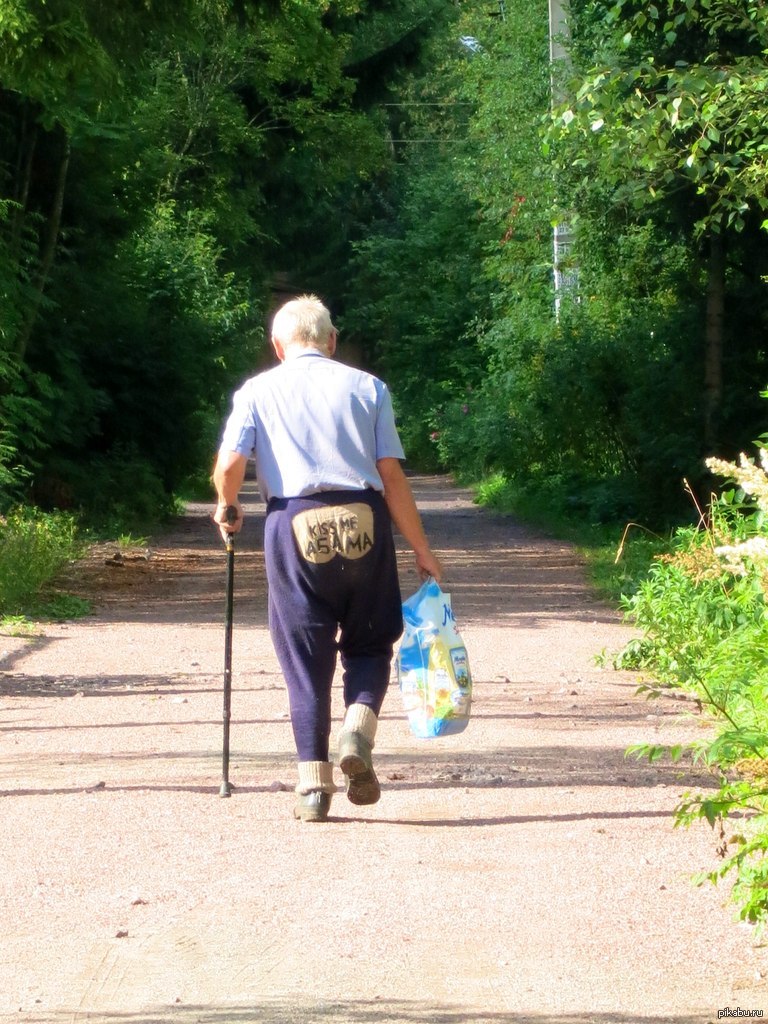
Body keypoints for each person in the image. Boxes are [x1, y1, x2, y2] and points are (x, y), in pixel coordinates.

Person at [212, 294, 443, 823]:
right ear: (331, 341)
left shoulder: (256, 391)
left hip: (292, 523)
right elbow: (391, 476)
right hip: (363, 515)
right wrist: (421, 548)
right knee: (369, 641)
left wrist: (227, 506)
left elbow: (230, 466)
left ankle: (313, 788)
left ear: (277, 346)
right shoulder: (368, 388)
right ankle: (357, 730)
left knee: (304, 657)